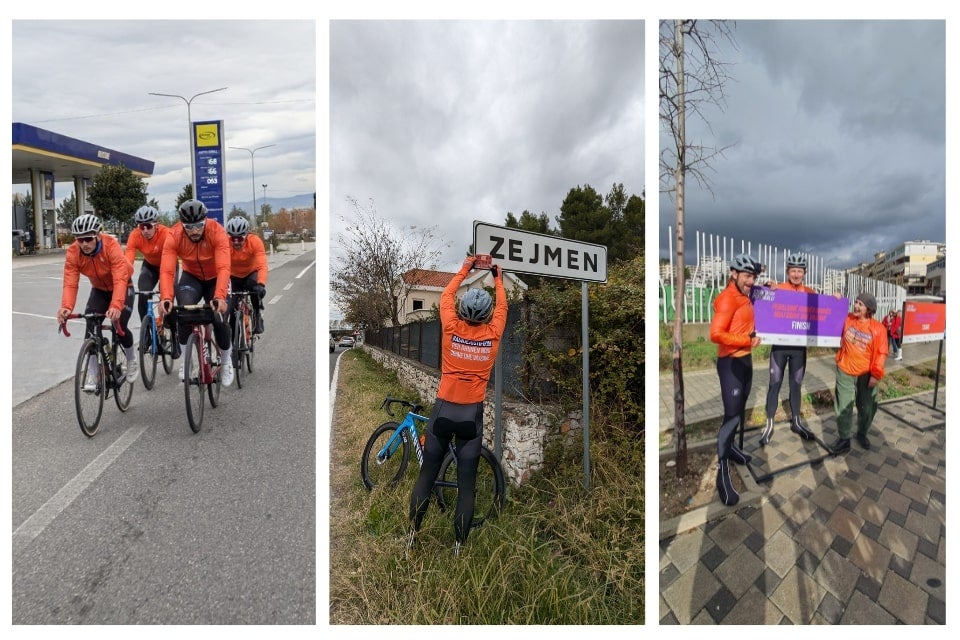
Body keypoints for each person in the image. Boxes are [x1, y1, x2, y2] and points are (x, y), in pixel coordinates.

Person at [408, 255, 508, 554]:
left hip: (443, 411)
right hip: (470, 417)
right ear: (488, 315)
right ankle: (457, 548)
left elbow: (447, 294)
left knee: (427, 476)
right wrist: (497, 277)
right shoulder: (493, 333)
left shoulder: (451, 326)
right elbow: (503, 306)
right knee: (467, 487)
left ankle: (412, 538)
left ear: (462, 312)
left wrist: (465, 268)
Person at [158, 199, 235, 387]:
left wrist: (219, 297)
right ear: (182, 225)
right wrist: (166, 298)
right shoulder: (174, 235)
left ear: (205, 221)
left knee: (219, 318)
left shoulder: (217, 231)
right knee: (184, 314)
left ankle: (226, 361)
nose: (194, 231)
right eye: (189, 227)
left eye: (199, 226)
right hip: (191, 277)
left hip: (216, 277)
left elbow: (224, 267)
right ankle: (188, 362)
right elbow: (167, 271)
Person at [57, 214, 137, 389]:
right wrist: (66, 307)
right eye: (80, 239)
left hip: (124, 285)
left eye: (88, 238)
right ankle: (93, 375)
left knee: (120, 325)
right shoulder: (73, 252)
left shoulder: (111, 246)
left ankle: (131, 359)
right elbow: (70, 282)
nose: (84, 244)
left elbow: (119, 279)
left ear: (98, 235)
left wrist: (116, 305)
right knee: (90, 331)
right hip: (99, 290)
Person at [709, 253, 763, 507]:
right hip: (730, 363)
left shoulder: (745, 294)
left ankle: (731, 449)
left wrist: (768, 288)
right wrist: (746, 341)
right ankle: (722, 473)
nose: (751, 281)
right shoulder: (727, 299)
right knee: (731, 417)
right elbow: (715, 334)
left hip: (746, 361)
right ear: (734, 274)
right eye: (747, 276)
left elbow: (756, 298)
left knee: (739, 411)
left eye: (753, 277)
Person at [759, 253, 817, 445]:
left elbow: (825, 311)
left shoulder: (810, 292)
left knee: (796, 384)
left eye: (799, 271)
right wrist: (768, 288)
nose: (796, 274)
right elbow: (763, 300)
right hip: (780, 347)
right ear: (787, 272)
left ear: (805, 273)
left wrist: (835, 299)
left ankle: (796, 422)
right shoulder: (780, 288)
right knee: (774, 383)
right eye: (793, 270)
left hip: (799, 348)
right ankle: (769, 424)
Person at [832, 291, 887, 453]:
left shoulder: (878, 329)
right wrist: (836, 300)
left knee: (867, 407)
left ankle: (862, 433)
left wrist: (876, 375)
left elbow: (882, 352)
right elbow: (831, 315)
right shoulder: (848, 319)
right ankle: (844, 439)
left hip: (866, 375)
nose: (856, 306)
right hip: (845, 370)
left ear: (869, 309)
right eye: (855, 302)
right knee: (843, 406)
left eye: (860, 304)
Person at [125, 205, 172, 322]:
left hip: (167, 265)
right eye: (142, 226)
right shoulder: (134, 235)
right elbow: (128, 261)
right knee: (143, 294)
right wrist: (123, 277)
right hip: (150, 265)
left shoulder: (166, 234)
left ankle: (167, 326)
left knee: (167, 297)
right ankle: (146, 330)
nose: (145, 230)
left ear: (156, 225)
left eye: (149, 226)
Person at [225, 216, 268, 335]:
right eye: (233, 238)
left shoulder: (255, 241)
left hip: (250, 273)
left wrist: (261, 284)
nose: (236, 241)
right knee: (232, 307)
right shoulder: (225, 244)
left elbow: (262, 265)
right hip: (233, 276)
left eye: (239, 238)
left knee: (254, 289)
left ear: (246, 235)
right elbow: (219, 265)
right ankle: (234, 347)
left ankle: (257, 314)